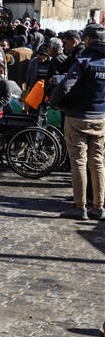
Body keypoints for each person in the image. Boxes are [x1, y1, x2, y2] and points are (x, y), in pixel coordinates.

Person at [50, 24, 105, 221]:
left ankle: (79, 207)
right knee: (98, 162)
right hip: (101, 118)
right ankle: (98, 207)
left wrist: (55, 104)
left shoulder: (83, 60)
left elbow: (65, 85)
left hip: (77, 117)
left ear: (88, 40)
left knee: (79, 163)